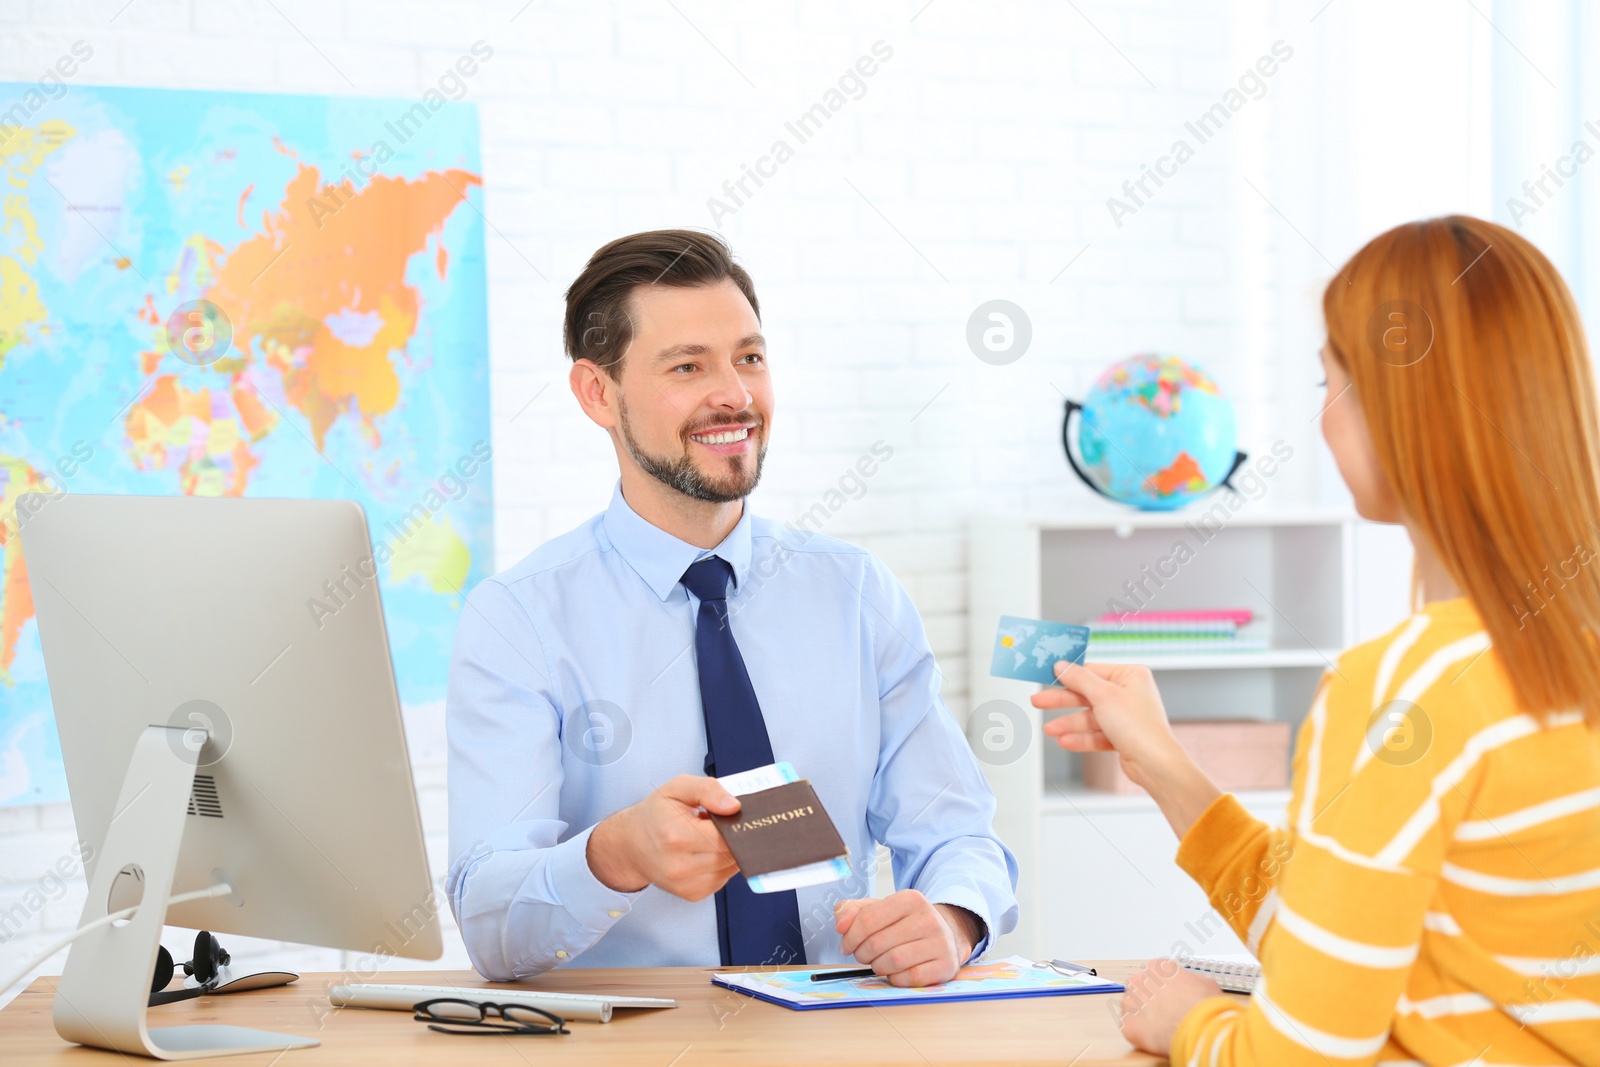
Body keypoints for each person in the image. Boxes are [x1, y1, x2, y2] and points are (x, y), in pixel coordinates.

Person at [1036, 216, 1600, 1066]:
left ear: (1404, 409)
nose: (1326, 420)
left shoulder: (1402, 687)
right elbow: (1339, 944)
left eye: (1331, 383)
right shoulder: (1551, 656)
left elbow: (1297, 1056)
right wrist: (1162, 763)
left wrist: (1190, 1022)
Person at [445, 229, 1017, 984]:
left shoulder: (857, 594)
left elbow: (956, 833)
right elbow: (491, 926)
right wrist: (615, 853)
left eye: (749, 357)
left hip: (834, 1032)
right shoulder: (518, 620)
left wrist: (951, 918)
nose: (737, 395)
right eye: (688, 366)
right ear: (597, 393)